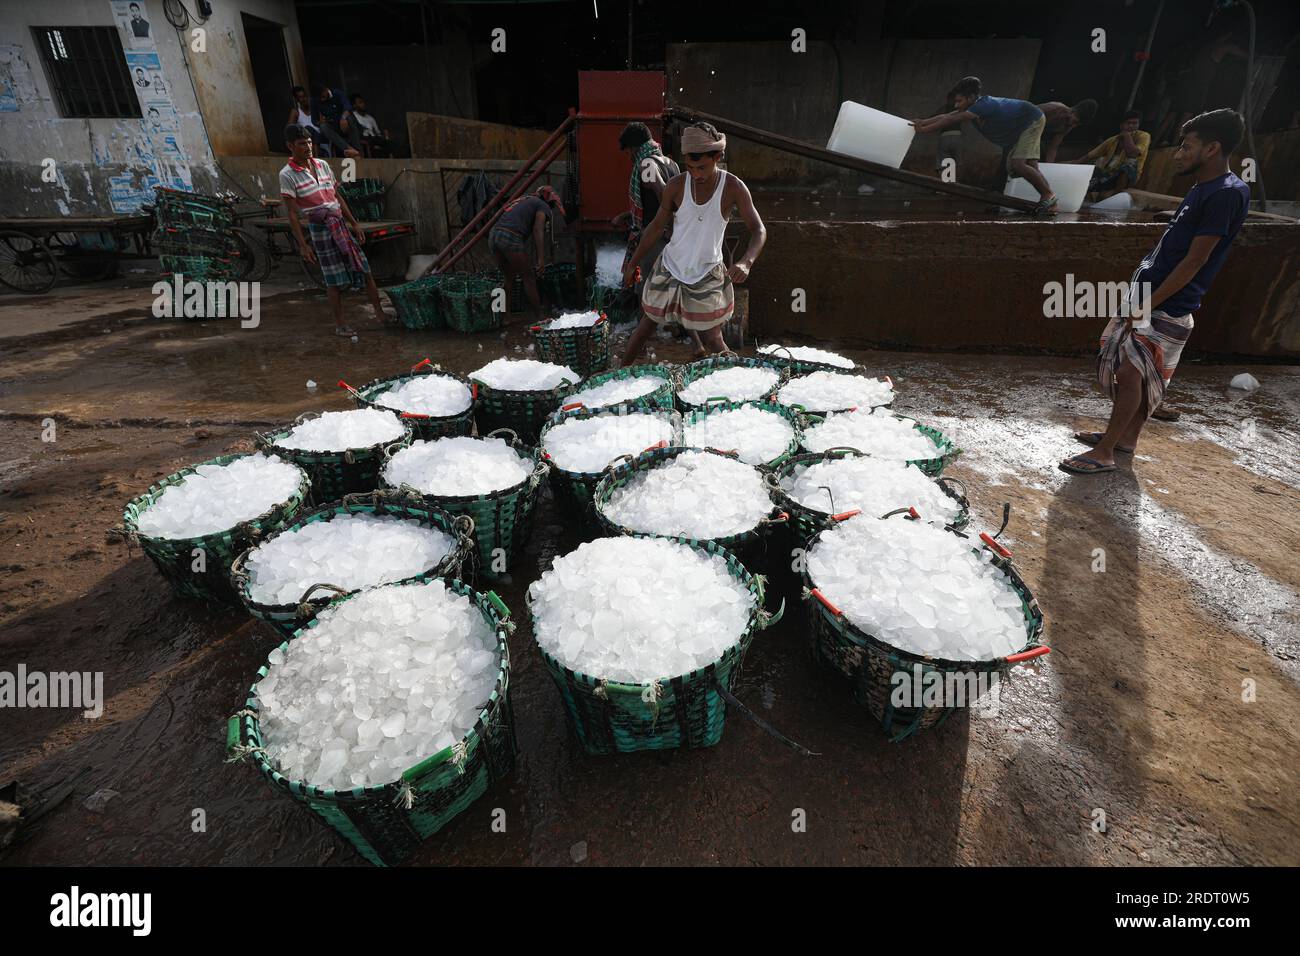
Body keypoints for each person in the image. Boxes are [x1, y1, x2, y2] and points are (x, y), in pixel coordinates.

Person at [1061, 109, 1250, 475]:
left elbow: (1196, 260)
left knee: (1132, 373)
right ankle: (1124, 439)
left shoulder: (1226, 194)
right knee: (1140, 372)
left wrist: (1151, 302)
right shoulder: (1204, 189)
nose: (1179, 154)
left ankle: (1105, 452)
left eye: (1187, 147)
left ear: (1212, 148)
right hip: (1154, 292)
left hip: (1168, 301)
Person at [619, 122, 766, 363]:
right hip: (671, 266)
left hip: (706, 271)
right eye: (690, 167)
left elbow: (759, 230)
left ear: (717, 156)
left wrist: (746, 262)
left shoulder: (733, 187)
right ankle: (616, 376)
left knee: (713, 338)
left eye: (702, 167)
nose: (696, 174)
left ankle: (737, 381)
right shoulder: (676, 186)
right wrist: (632, 264)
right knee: (646, 325)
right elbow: (656, 227)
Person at [279, 125, 389, 337]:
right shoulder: (287, 174)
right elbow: (292, 213)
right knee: (333, 280)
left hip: (339, 224)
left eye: (309, 142)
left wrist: (354, 223)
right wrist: (303, 245)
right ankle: (340, 324)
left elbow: (337, 197)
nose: (308, 147)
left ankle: (380, 314)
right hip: (320, 228)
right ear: (290, 146)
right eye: (302, 143)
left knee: (364, 269)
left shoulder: (322, 165)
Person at [912, 76, 1057, 214]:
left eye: (959, 101)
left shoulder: (984, 105)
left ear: (971, 98)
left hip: (1030, 121)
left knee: (1018, 164)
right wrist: (922, 122)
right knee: (1029, 165)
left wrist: (923, 130)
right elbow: (948, 115)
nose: (956, 105)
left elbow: (952, 120)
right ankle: (1052, 202)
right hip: (1020, 126)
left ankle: (1048, 195)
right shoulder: (973, 107)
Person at [487, 185, 565, 325]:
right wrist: (541, 259)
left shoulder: (524, 199)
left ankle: (505, 317)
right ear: (549, 200)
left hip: (494, 235)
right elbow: (537, 229)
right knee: (528, 277)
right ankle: (539, 317)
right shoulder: (542, 205)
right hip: (510, 236)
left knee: (508, 277)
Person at [1075, 109, 1151, 198]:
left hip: (1129, 177)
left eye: (1135, 123)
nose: (1131, 126)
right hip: (1108, 175)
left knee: (1127, 167)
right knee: (1092, 168)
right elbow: (1089, 156)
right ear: (1122, 125)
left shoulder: (1144, 136)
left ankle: (1114, 198)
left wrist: (1127, 136)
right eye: (1128, 123)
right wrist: (1072, 166)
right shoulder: (1113, 140)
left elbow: (1133, 154)